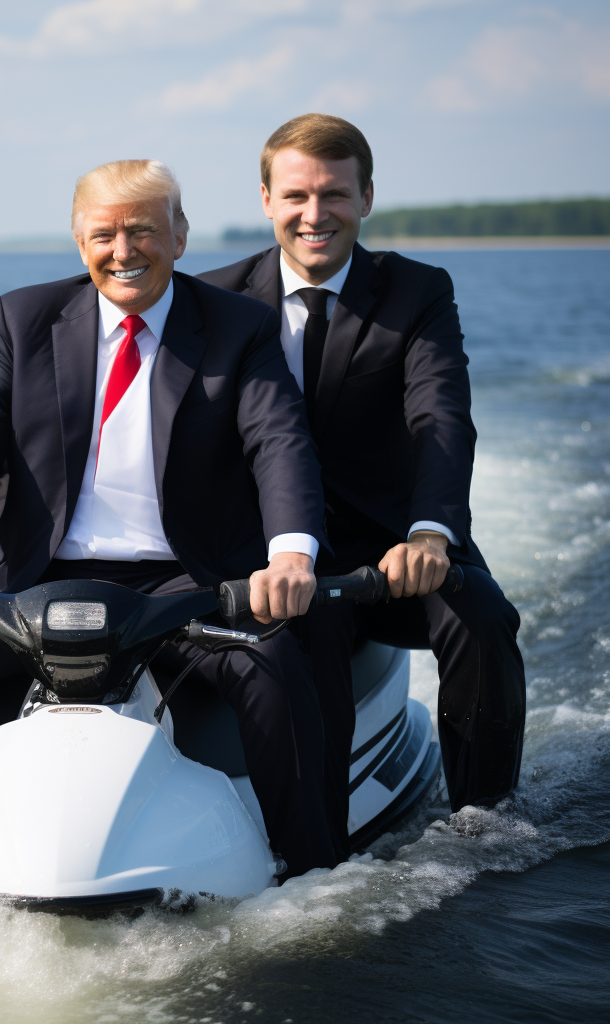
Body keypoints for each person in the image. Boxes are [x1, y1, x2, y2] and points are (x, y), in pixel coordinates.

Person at [0, 159, 335, 884]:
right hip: (32, 575)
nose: (123, 251)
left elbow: (280, 441)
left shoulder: (240, 326)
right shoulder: (22, 318)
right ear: (79, 241)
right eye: (103, 234)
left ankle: (312, 877)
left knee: (272, 662)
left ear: (179, 237)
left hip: (187, 578)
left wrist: (291, 556)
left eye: (143, 231)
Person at [198, 114, 526, 861]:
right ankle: (311, 847)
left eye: (335, 194)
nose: (315, 215)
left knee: (481, 617)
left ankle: (487, 817)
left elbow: (441, 417)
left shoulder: (416, 292)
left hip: (396, 546)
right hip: (274, 555)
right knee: (305, 647)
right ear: (266, 198)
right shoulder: (212, 300)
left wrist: (430, 533)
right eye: (297, 195)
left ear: (367, 196)